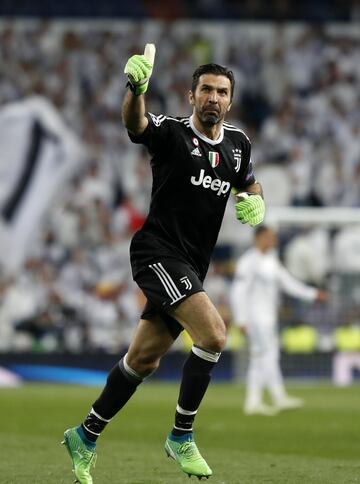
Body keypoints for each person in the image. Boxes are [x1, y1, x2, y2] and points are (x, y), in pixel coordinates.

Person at [62, 46, 265, 483]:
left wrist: (255, 203)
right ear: (191, 96)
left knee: (143, 360)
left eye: (222, 92)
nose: (214, 97)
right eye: (206, 90)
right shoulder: (172, 132)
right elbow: (135, 123)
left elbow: (250, 183)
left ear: (230, 100)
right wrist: (135, 90)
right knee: (213, 334)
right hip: (157, 252)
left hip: (193, 264)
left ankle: (86, 433)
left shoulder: (238, 143)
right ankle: (181, 435)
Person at [230, 226, 327, 416]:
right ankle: (278, 396)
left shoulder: (271, 260)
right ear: (259, 238)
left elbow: (288, 283)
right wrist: (241, 319)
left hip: (268, 317)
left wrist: (312, 293)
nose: (273, 240)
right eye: (269, 237)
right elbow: (238, 292)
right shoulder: (248, 262)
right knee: (269, 355)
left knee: (259, 359)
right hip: (255, 318)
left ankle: (253, 402)